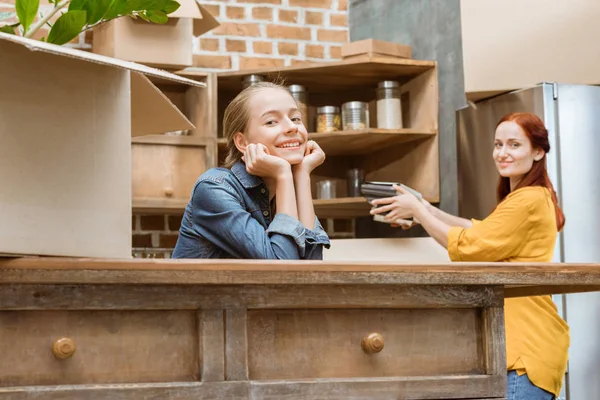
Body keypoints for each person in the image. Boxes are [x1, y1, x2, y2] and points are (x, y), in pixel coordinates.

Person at [370, 112, 569, 400]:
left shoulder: (528, 200)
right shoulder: (527, 198)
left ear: (538, 152)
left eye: (514, 145)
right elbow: (480, 231)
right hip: (526, 345)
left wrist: (420, 213)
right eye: (498, 144)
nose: (502, 153)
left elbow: (470, 246)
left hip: (525, 349)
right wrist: (425, 207)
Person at [173, 82, 330, 259]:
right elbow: (283, 269)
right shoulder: (214, 188)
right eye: (271, 121)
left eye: (295, 119)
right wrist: (283, 174)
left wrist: (302, 175)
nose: (292, 127)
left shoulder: (283, 191)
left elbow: (312, 267)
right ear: (242, 142)